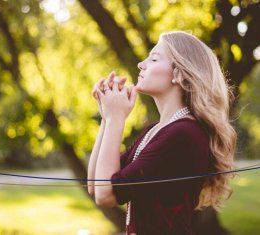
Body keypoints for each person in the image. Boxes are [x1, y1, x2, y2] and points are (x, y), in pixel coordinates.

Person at [87, 31, 237, 235]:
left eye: (154, 58)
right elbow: (95, 186)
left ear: (179, 74)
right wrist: (107, 118)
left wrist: (116, 119)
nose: (141, 63)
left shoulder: (183, 134)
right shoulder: (157, 130)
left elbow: (106, 195)